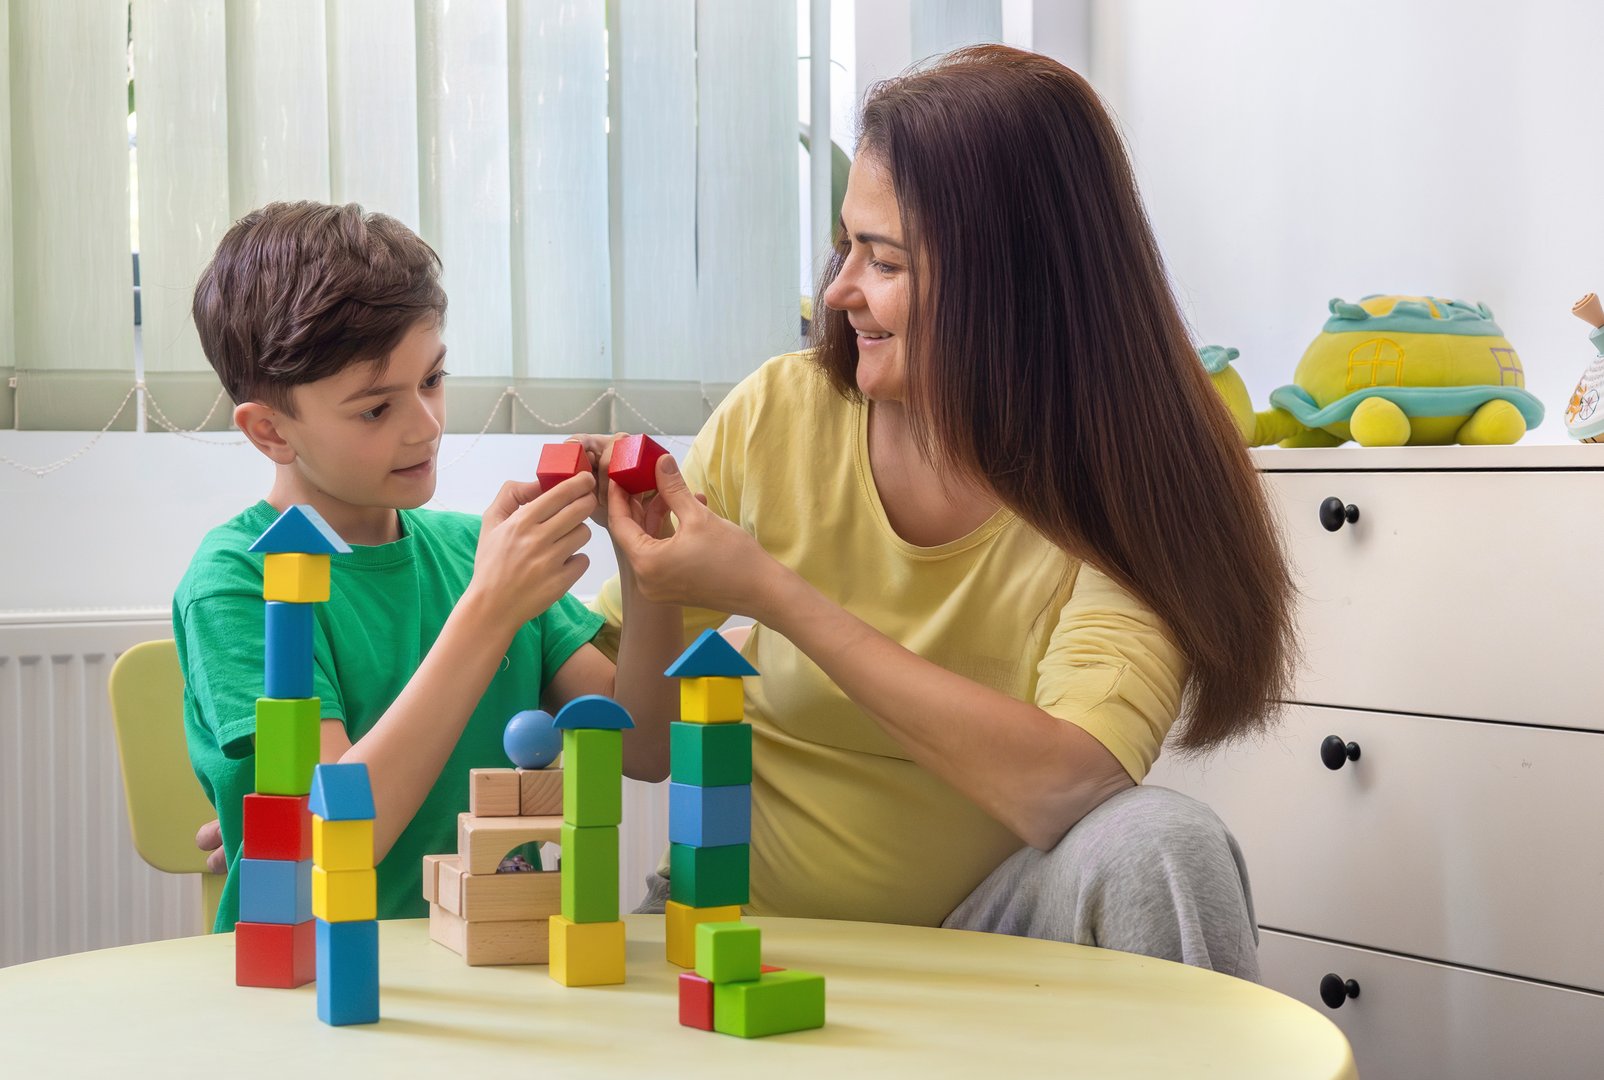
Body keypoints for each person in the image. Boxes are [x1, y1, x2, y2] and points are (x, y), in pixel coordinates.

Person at [586, 46, 1296, 980]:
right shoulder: (778, 415)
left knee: (1164, 842)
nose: (838, 291)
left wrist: (777, 596)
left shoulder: (1133, 484)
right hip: (746, 936)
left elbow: (1064, 782)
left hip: (991, 937)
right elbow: (638, 744)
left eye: (883, 262)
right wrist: (649, 576)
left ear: (1011, 285)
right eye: (847, 247)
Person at [177, 202, 680, 931]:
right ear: (270, 430)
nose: (427, 424)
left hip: (493, 967)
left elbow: (645, 747)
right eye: (376, 409)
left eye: (433, 379)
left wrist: (648, 567)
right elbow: (333, 840)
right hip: (316, 978)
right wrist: (491, 610)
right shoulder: (241, 581)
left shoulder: (472, 554)